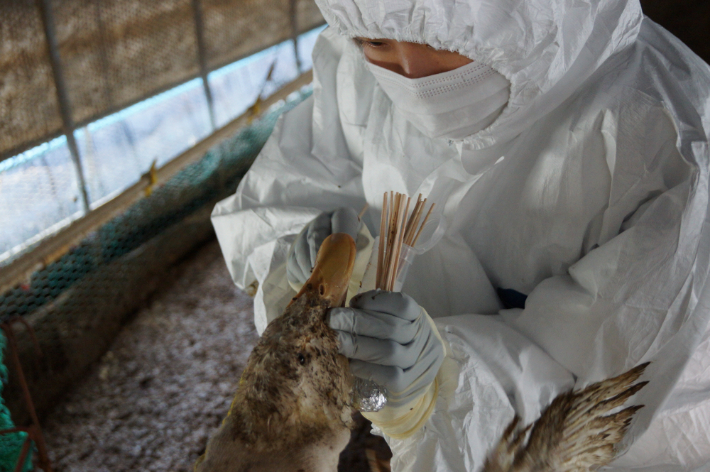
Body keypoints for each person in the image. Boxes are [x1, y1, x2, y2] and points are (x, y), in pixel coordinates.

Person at [211, 0, 710, 470]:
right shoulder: (354, 64)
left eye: (439, 35)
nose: (409, 71)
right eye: (377, 40)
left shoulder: (667, 140)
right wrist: (291, 264)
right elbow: (293, 186)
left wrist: (447, 387)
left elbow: (603, 394)